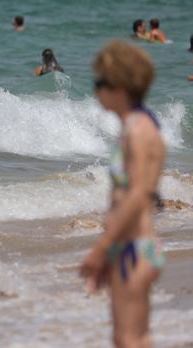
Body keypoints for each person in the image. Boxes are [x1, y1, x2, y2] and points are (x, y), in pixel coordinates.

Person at [80, 40, 165, 348]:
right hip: (129, 245)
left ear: (119, 86)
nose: (96, 90)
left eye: (99, 82)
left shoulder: (138, 131)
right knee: (132, 338)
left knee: (129, 339)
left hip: (135, 248)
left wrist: (100, 248)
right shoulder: (137, 126)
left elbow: (138, 195)